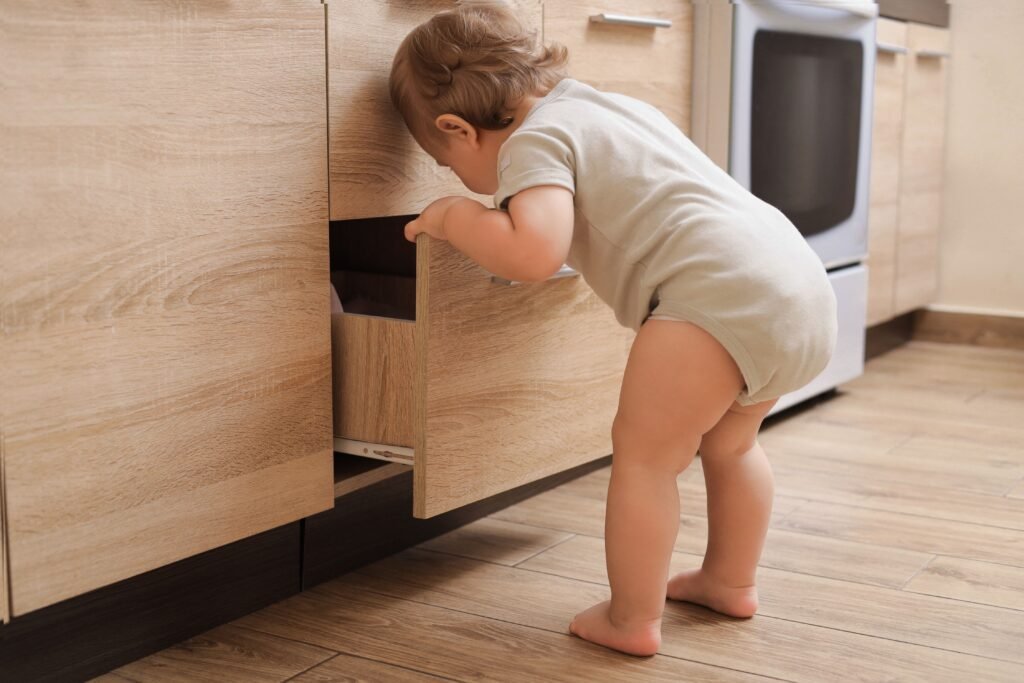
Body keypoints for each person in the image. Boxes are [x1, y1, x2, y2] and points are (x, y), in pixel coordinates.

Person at [389, 4, 837, 657]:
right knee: (733, 445)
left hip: (716, 296)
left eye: (447, 163)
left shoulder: (534, 142)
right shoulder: (604, 107)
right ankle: (728, 580)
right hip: (795, 283)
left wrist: (456, 216)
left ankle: (631, 618)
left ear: (458, 129)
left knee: (646, 457)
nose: (459, 179)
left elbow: (535, 252)